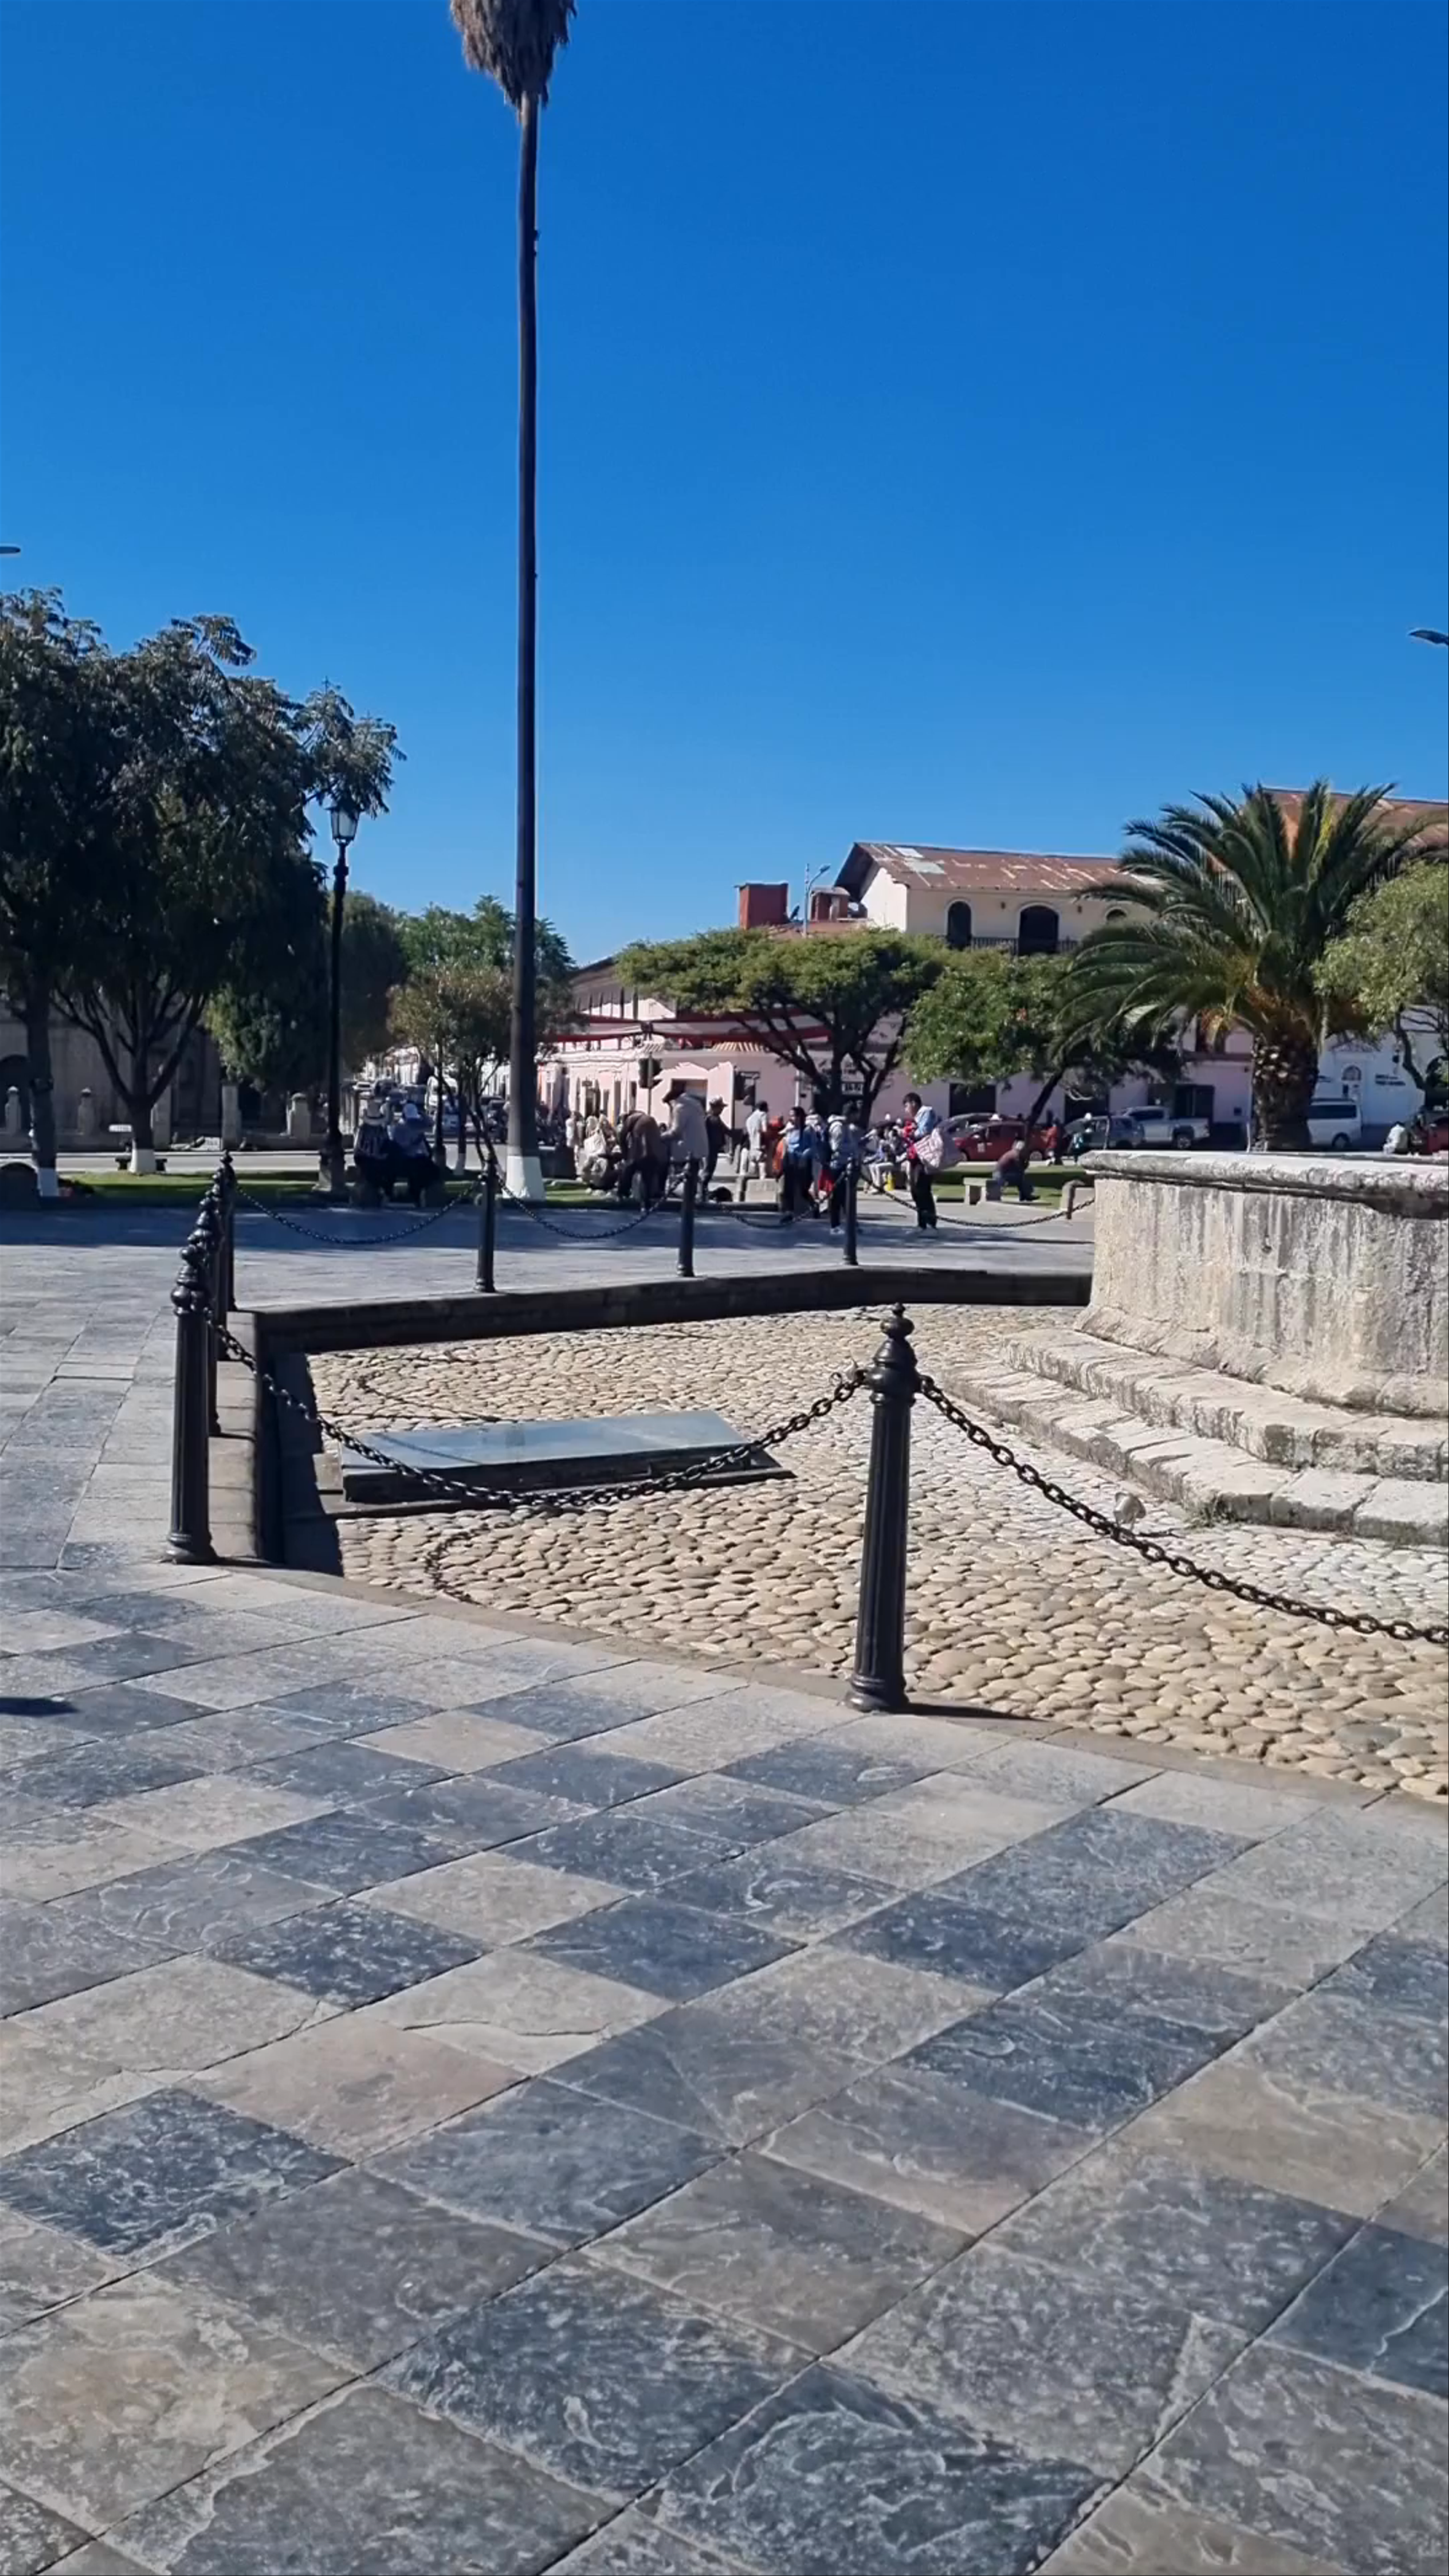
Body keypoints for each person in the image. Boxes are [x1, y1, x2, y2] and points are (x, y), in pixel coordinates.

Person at [900, 1092, 940, 1232]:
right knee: (916, 1189)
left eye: (907, 1106)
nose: (906, 1110)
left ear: (913, 1103)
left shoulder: (926, 1113)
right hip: (916, 1157)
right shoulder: (917, 1118)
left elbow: (925, 1132)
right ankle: (922, 1223)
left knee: (922, 1187)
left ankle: (930, 1223)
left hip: (926, 1157)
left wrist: (908, 1133)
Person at [778, 1104, 819, 1221]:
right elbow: (788, 1145)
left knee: (803, 1190)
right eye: (791, 1116)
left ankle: (814, 1207)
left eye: (794, 1116)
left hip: (803, 1162)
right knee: (788, 1189)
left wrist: (804, 1157)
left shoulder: (808, 1130)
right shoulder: (790, 1130)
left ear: (801, 1117)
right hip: (791, 1161)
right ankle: (789, 1213)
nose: (792, 1118)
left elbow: (813, 1147)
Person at [663, 1081, 709, 1180]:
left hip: (687, 1150)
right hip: (699, 1148)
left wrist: (660, 1137)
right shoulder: (695, 1104)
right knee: (693, 1176)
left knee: (679, 1173)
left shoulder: (680, 1108)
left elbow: (676, 1132)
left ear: (672, 1101)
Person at [825, 1111, 862, 1229]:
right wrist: (852, 1148)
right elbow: (836, 1147)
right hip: (838, 1165)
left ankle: (851, 1223)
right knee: (838, 1196)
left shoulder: (846, 1126)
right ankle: (835, 1225)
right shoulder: (838, 1127)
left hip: (846, 1163)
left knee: (846, 1196)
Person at [704, 1097, 731, 1189]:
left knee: (709, 1170)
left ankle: (703, 1189)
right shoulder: (712, 1119)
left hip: (712, 1148)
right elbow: (726, 1130)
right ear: (715, 1107)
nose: (722, 1110)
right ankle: (702, 1190)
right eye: (721, 1108)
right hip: (710, 1148)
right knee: (708, 1170)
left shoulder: (714, 1118)